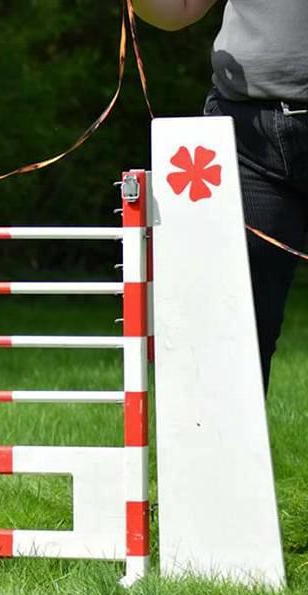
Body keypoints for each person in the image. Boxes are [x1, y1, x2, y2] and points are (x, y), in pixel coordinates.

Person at [132, 0, 308, 391]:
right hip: (247, 136)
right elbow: (178, 8)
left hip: (253, 127)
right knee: (234, 334)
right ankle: (222, 454)